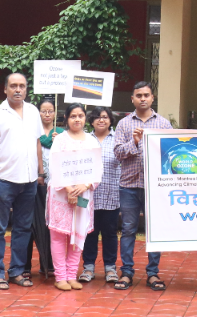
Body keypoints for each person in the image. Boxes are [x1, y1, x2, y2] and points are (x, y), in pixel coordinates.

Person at [0, 72, 43, 290]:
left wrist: (40, 173)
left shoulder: (33, 111)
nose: (18, 90)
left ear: (26, 89)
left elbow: (37, 143)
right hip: (3, 181)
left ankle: (17, 270)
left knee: (23, 229)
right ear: (5, 89)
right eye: (13, 86)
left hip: (28, 182)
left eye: (22, 86)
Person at [113, 80, 173, 291]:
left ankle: (153, 273)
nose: (143, 99)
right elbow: (118, 153)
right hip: (129, 186)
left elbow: (171, 154)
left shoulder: (164, 124)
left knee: (154, 231)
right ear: (132, 99)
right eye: (139, 95)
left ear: (152, 98)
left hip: (154, 187)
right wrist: (135, 143)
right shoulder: (124, 124)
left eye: (146, 95)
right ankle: (126, 272)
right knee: (128, 229)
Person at [47, 103, 99, 290]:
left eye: (81, 115)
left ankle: (71, 275)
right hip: (61, 196)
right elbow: (54, 167)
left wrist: (84, 186)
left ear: (85, 118)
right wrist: (69, 189)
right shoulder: (60, 140)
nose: (77, 119)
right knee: (59, 236)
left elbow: (96, 169)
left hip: (83, 194)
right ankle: (60, 276)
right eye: (73, 116)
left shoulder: (92, 141)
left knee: (78, 234)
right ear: (67, 119)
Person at [80, 106, 121, 285]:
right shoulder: (85, 140)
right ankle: (88, 267)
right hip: (88, 195)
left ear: (110, 120)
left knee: (110, 233)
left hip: (111, 193)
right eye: (97, 117)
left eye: (105, 117)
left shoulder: (118, 140)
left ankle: (110, 268)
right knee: (89, 232)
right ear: (91, 121)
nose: (101, 120)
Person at [24, 96, 63, 280]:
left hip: (56, 187)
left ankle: (48, 263)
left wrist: (60, 142)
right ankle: (25, 265)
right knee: (30, 224)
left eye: (50, 111)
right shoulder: (32, 132)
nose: (47, 114)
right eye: (43, 110)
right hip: (35, 183)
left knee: (51, 227)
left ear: (55, 113)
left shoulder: (62, 134)